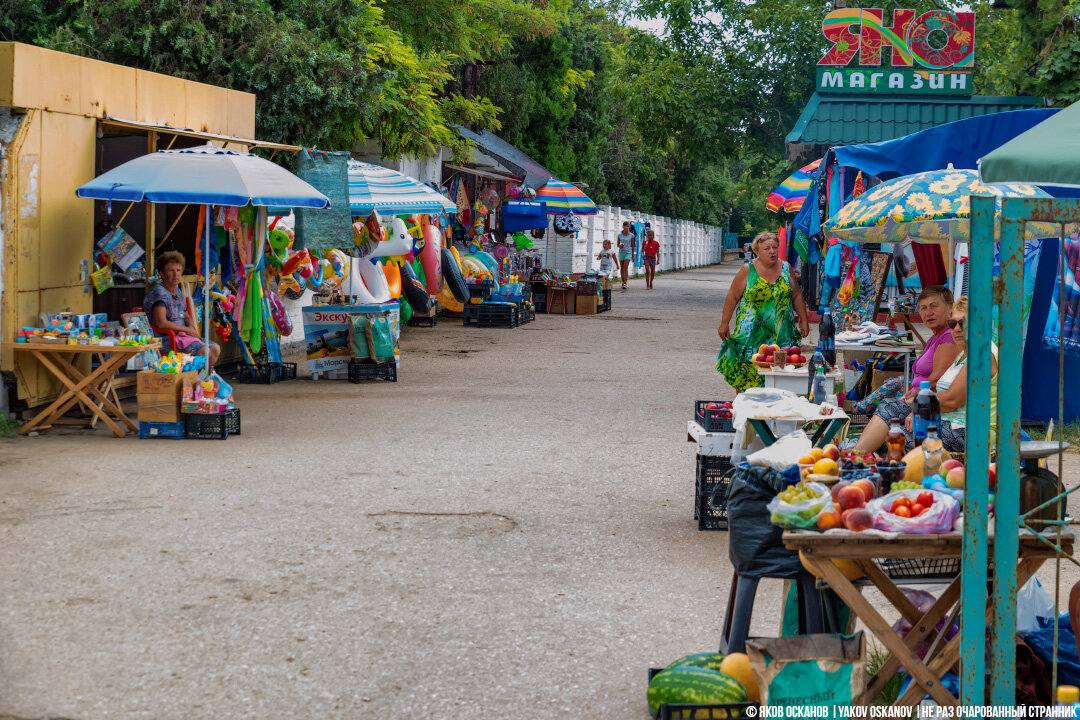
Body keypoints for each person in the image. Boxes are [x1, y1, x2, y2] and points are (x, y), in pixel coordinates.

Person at [852, 296, 995, 455]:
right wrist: (916, 400)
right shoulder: (965, 353)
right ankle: (854, 459)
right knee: (889, 407)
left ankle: (854, 461)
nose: (957, 329)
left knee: (890, 435)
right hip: (947, 422)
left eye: (963, 323)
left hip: (967, 432)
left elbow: (953, 399)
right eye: (952, 324)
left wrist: (920, 407)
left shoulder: (982, 355)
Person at [716, 231, 811, 392]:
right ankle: (747, 412)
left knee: (781, 379)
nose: (772, 251)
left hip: (782, 335)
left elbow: (796, 295)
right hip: (751, 336)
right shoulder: (748, 269)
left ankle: (776, 414)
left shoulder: (786, 269)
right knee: (748, 378)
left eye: (774, 247)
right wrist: (724, 323)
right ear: (757, 251)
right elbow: (732, 296)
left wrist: (804, 319)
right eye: (767, 248)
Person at [852, 285, 960, 413]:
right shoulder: (934, 337)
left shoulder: (948, 337)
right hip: (917, 396)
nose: (928, 312)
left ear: (950, 309)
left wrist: (912, 398)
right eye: (923, 308)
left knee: (888, 404)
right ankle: (860, 407)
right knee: (893, 383)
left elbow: (936, 380)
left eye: (934, 306)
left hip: (926, 403)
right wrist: (910, 393)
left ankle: (859, 409)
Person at [144, 250, 221, 371]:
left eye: (178, 270)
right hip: (165, 338)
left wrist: (191, 325)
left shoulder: (177, 291)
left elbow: (185, 315)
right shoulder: (159, 293)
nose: (176, 275)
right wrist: (186, 330)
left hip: (183, 336)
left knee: (215, 349)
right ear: (162, 274)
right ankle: (193, 380)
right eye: (171, 271)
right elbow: (161, 323)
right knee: (204, 352)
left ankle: (198, 378)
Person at [616, 221, 636, 290]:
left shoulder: (632, 235)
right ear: (622, 227)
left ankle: (625, 283)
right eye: (624, 226)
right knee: (622, 268)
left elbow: (633, 246)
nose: (625, 227)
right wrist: (620, 246)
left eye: (627, 226)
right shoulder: (619, 235)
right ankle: (622, 282)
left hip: (628, 252)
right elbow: (617, 244)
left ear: (629, 227)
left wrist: (633, 256)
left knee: (625, 267)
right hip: (621, 252)